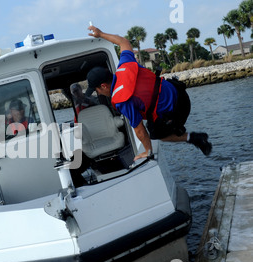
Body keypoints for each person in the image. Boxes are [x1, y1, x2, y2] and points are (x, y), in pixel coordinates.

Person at [86, 25, 212, 161]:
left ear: (104, 86)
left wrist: (147, 151)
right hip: (180, 93)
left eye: (97, 90)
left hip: (177, 110)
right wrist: (101, 34)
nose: (98, 94)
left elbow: (139, 129)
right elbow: (123, 42)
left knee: (156, 134)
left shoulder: (122, 99)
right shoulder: (124, 65)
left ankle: (193, 137)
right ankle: (185, 133)